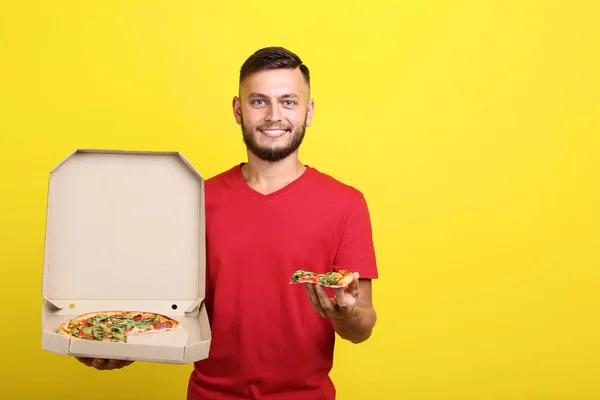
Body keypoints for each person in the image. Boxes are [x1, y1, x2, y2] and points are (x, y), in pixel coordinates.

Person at [76, 46, 379, 400]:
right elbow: (172, 309)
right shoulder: (195, 199)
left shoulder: (346, 203)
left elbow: (362, 326)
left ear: (308, 112)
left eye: (289, 101)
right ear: (238, 110)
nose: (274, 115)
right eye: (259, 101)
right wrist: (122, 344)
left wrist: (343, 313)